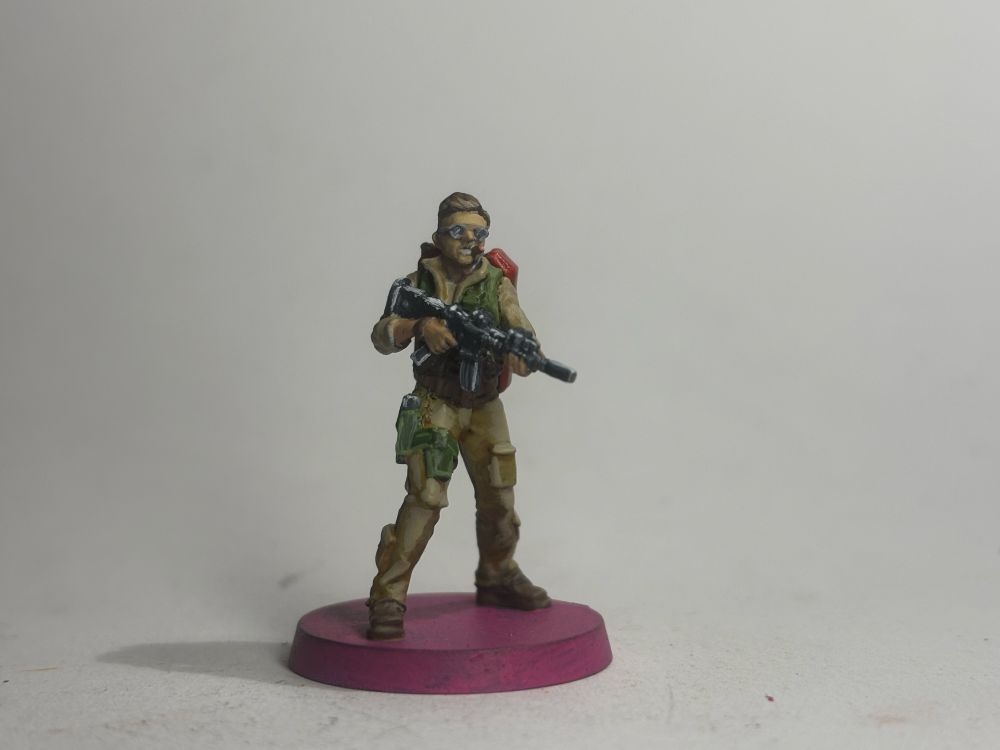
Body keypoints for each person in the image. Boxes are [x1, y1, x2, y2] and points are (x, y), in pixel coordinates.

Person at [366, 192, 550, 640]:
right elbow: (382, 335)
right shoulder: (419, 283)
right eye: (459, 231)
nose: (470, 240)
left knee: (499, 499)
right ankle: (388, 594)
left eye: (479, 233)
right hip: (436, 401)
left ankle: (498, 573)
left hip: (485, 405)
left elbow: (521, 328)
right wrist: (419, 326)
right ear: (439, 235)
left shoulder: (496, 283)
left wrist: (523, 352)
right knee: (425, 499)